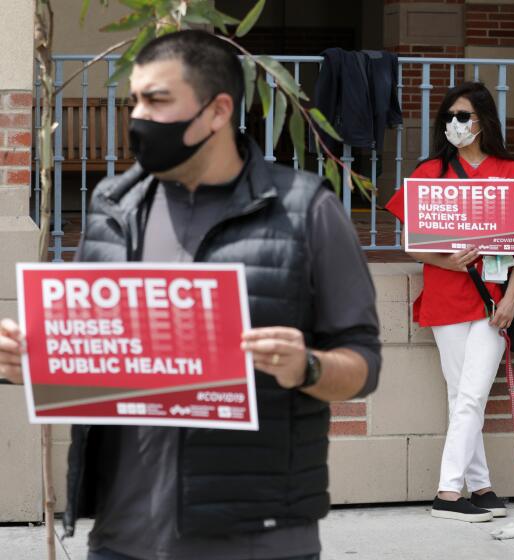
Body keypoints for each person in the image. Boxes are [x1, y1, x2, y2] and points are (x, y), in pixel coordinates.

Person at [0, 30, 381, 560]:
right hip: (120, 538)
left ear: (217, 111)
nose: (137, 117)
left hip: (256, 540)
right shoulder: (113, 205)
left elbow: (364, 363)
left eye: (157, 101)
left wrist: (307, 367)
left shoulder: (305, 210)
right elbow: (103, 356)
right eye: (134, 101)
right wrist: (34, 359)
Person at [385, 82, 514, 523]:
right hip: (446, 296)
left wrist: (512, 298)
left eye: (464, 116)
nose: (456, 125)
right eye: (450, 117)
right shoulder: (430, 171)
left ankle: (448, 491)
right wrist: (452, 263)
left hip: (496, 301)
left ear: (484, 121)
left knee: (470, 395)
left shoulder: (513, 171)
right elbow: (412, 245)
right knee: (464, 396)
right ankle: (479, 485)